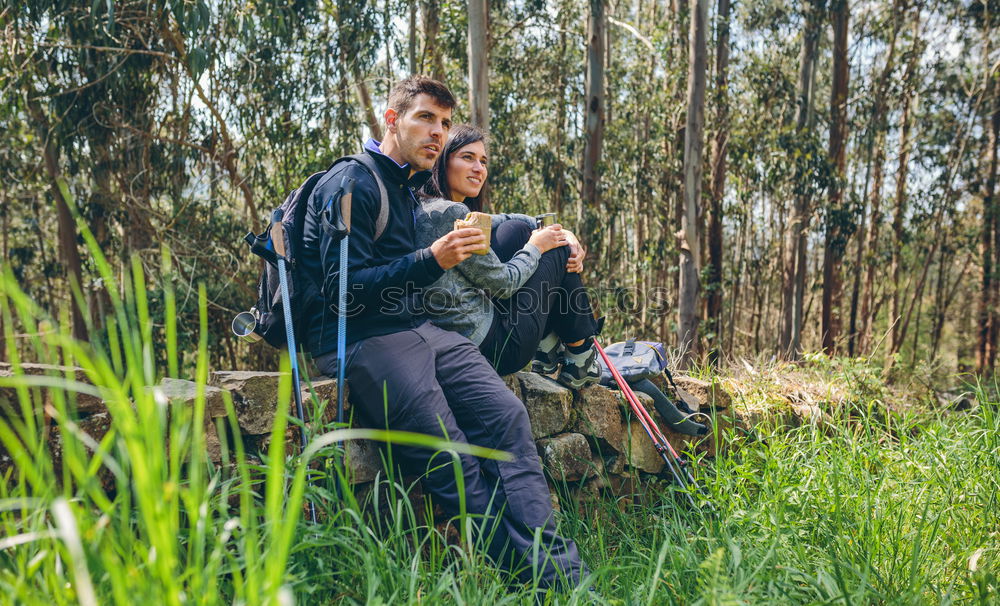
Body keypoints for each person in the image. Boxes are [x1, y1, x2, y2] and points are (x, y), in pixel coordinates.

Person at [298, 76, 586, 590]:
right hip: (365, 340)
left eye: (445, 122)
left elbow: (490, 230)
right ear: (392, 120)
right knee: (454, 465)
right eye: (425, 118)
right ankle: (540, 583)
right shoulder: (352, 183)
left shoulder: (406, 188)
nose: (438, 132)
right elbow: (344, 291)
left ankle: (564, 572)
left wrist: (553, 233)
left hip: (420, 329)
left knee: (507, 418)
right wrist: (431, 259)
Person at [415, 125, 602, 387]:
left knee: (514, 230)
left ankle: (547, 350)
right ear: (442, 162)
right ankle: (581, 355)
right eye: (467, 157)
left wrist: (560, 230)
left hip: (466, 338)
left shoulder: (429, 207)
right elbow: (504, 285)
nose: (479, 168)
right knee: (555, 247)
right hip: (495, 349)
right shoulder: (449, 214)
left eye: (483, 161)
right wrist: (539, 245)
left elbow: (506, 220)